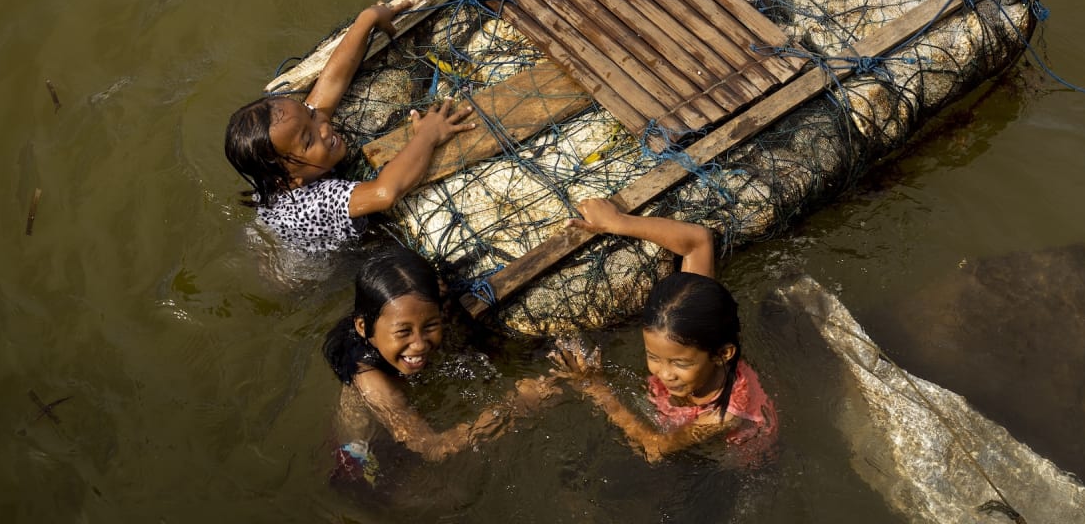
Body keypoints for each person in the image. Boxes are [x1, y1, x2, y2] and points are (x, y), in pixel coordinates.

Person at [224, 1, 476, 251]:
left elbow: (330, 84)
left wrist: (367, 19)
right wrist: (428, 135)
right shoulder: (318, 203)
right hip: (303, 267)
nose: (322, 126)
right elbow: (385, 193)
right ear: (291, 179)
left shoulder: (287, 163)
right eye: (309, 140)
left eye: (309, 116)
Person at [550, 199, 777, 467]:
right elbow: (698, 240)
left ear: (722, 354)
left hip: (734, 462)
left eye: (680, 363)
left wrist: (598, 391)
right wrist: (617, 223)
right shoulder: (698, 316)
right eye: (654, 356)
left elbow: (654, 448)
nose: (665, 374)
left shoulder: (724, 415)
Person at [323, 246, 558, 487]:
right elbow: (433, 449)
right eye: (404, 332)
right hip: (362, 457)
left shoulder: (393, 324)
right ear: (363, 327)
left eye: (430, 326)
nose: (419, 345)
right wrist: (518, 405)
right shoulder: (374, 384)